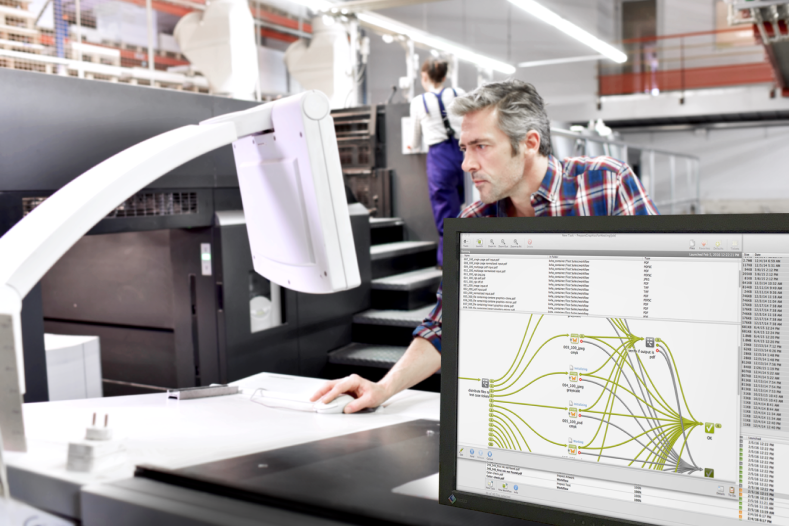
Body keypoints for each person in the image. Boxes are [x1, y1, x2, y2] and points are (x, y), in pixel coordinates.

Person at [312, 80, 659, 413]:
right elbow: (446, 325)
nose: (466, 164)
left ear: (529, 143)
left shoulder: (605, 184)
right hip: (523, 397)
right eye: (465, 148)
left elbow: (661, 292)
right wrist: (383, 388)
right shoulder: (476, 222)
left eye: (481, 146)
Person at [408, 59, 466, 268]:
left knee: (444, 209)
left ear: (424, 77)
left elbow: (414, 140)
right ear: (444, 76)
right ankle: (469, 254)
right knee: (465, 204)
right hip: (463, 153)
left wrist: (410, 145)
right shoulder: (458, 92)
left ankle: (448, 260)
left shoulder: (418, 101)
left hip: (439, 157)